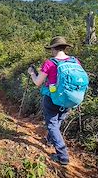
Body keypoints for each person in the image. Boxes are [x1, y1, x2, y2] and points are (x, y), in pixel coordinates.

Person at [27, 36, 81, 166]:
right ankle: (50, 141)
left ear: (53, 49)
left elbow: (37, 83)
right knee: (58, 122)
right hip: (69, 99)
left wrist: (32, 73)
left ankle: (63, 157)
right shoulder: (75, 61)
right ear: (65, 47)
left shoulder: (50, 63)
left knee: (52, 124)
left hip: (52, 99)